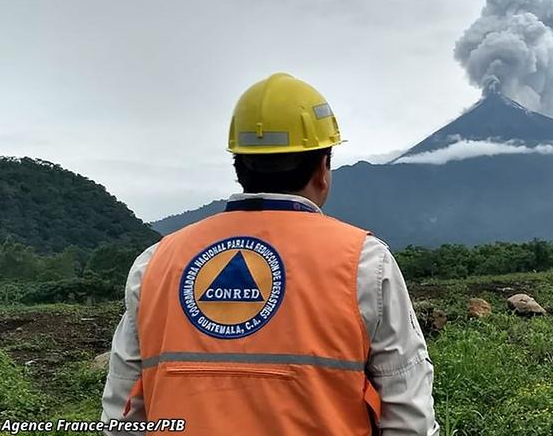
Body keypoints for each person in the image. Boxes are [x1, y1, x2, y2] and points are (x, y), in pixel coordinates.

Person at [100, 72, 439, 435]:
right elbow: (408, 416)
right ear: (323, 168)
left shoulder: (155, 263)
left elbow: (122, 414)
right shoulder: (363, 262)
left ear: (238, 166)